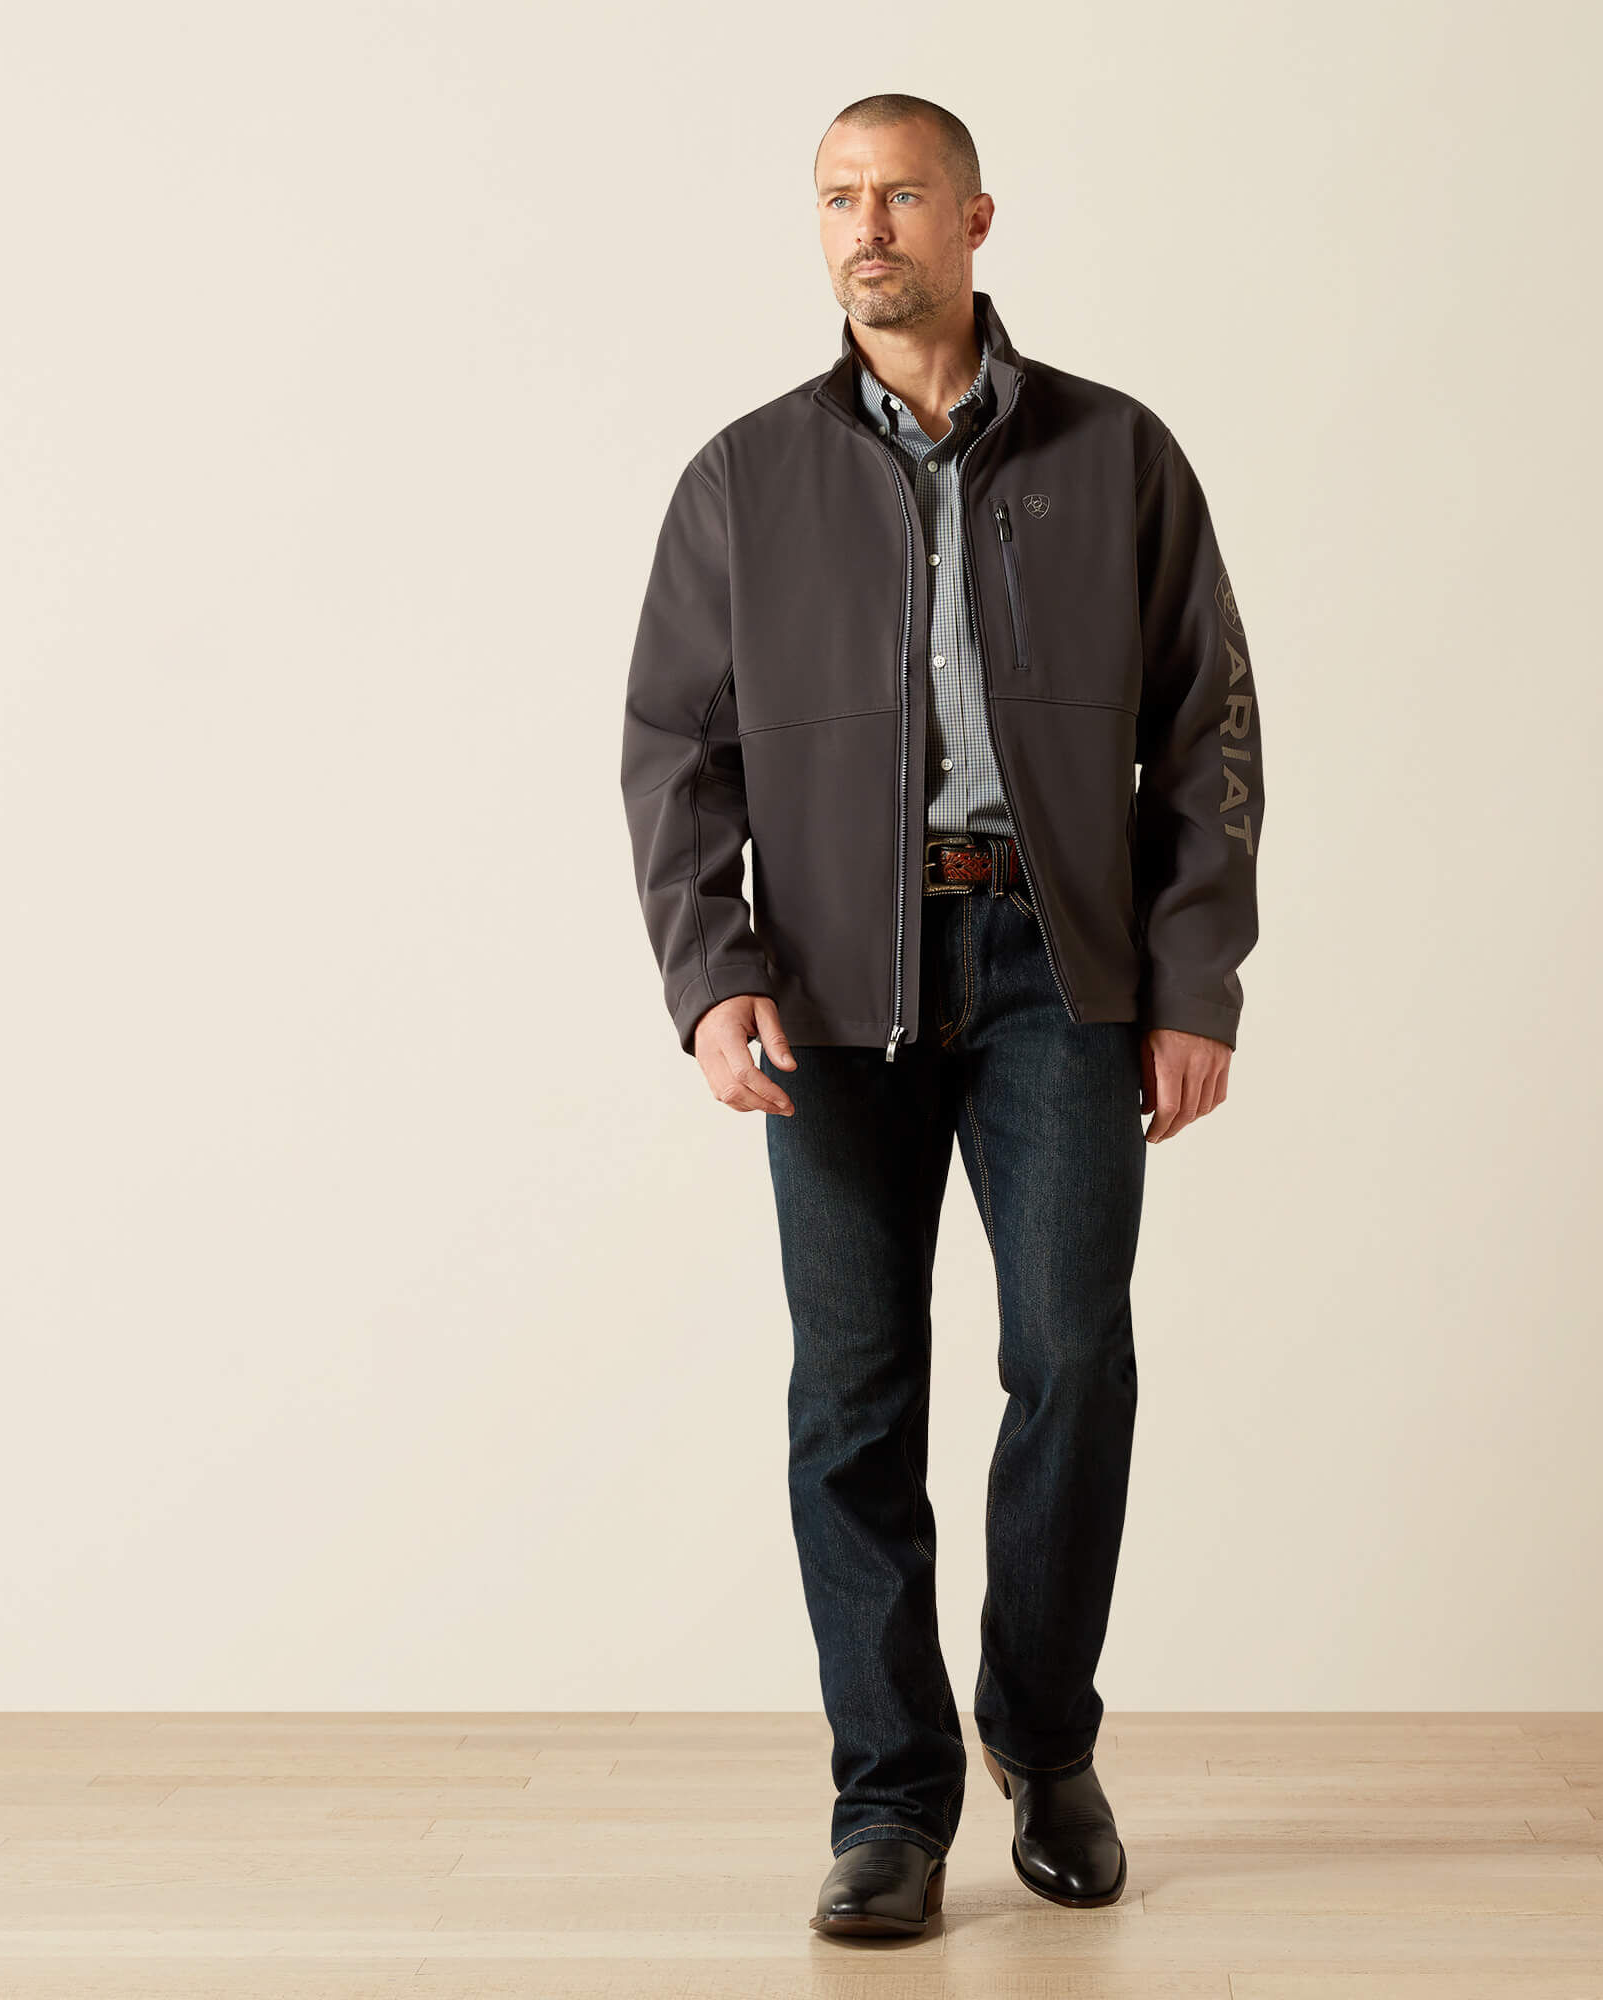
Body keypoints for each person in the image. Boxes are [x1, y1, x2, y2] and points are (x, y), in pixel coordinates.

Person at [619, 91, 1264, 1942]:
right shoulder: (745, 478)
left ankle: (1044, 1746)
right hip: (831, 987)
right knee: (853, 1395)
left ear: (977, 219)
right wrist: (713, 973)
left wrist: (1192, 975)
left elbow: (1209, 725)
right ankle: (889, 1803)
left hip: (1061, 972)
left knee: (1072, 1362)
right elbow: (674, 749)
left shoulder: (1116, 454)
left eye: (901, 194)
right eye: (838, 197)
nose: (867, 226)